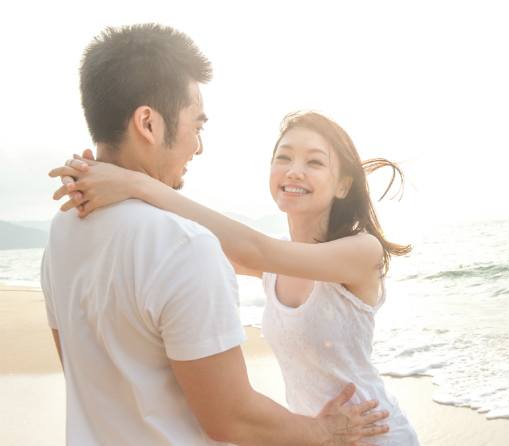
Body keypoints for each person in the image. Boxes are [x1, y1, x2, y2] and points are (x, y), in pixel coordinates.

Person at [42, 23, 389, 446]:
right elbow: (232, 417)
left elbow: (252, 250)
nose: (199, 145)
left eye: (315, 162)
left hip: (371, 430)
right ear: (148, 123)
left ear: (344, 183)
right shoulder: (186, 247)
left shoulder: (62, 231)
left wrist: (132, 183)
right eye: (197, 125)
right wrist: (321, 431)